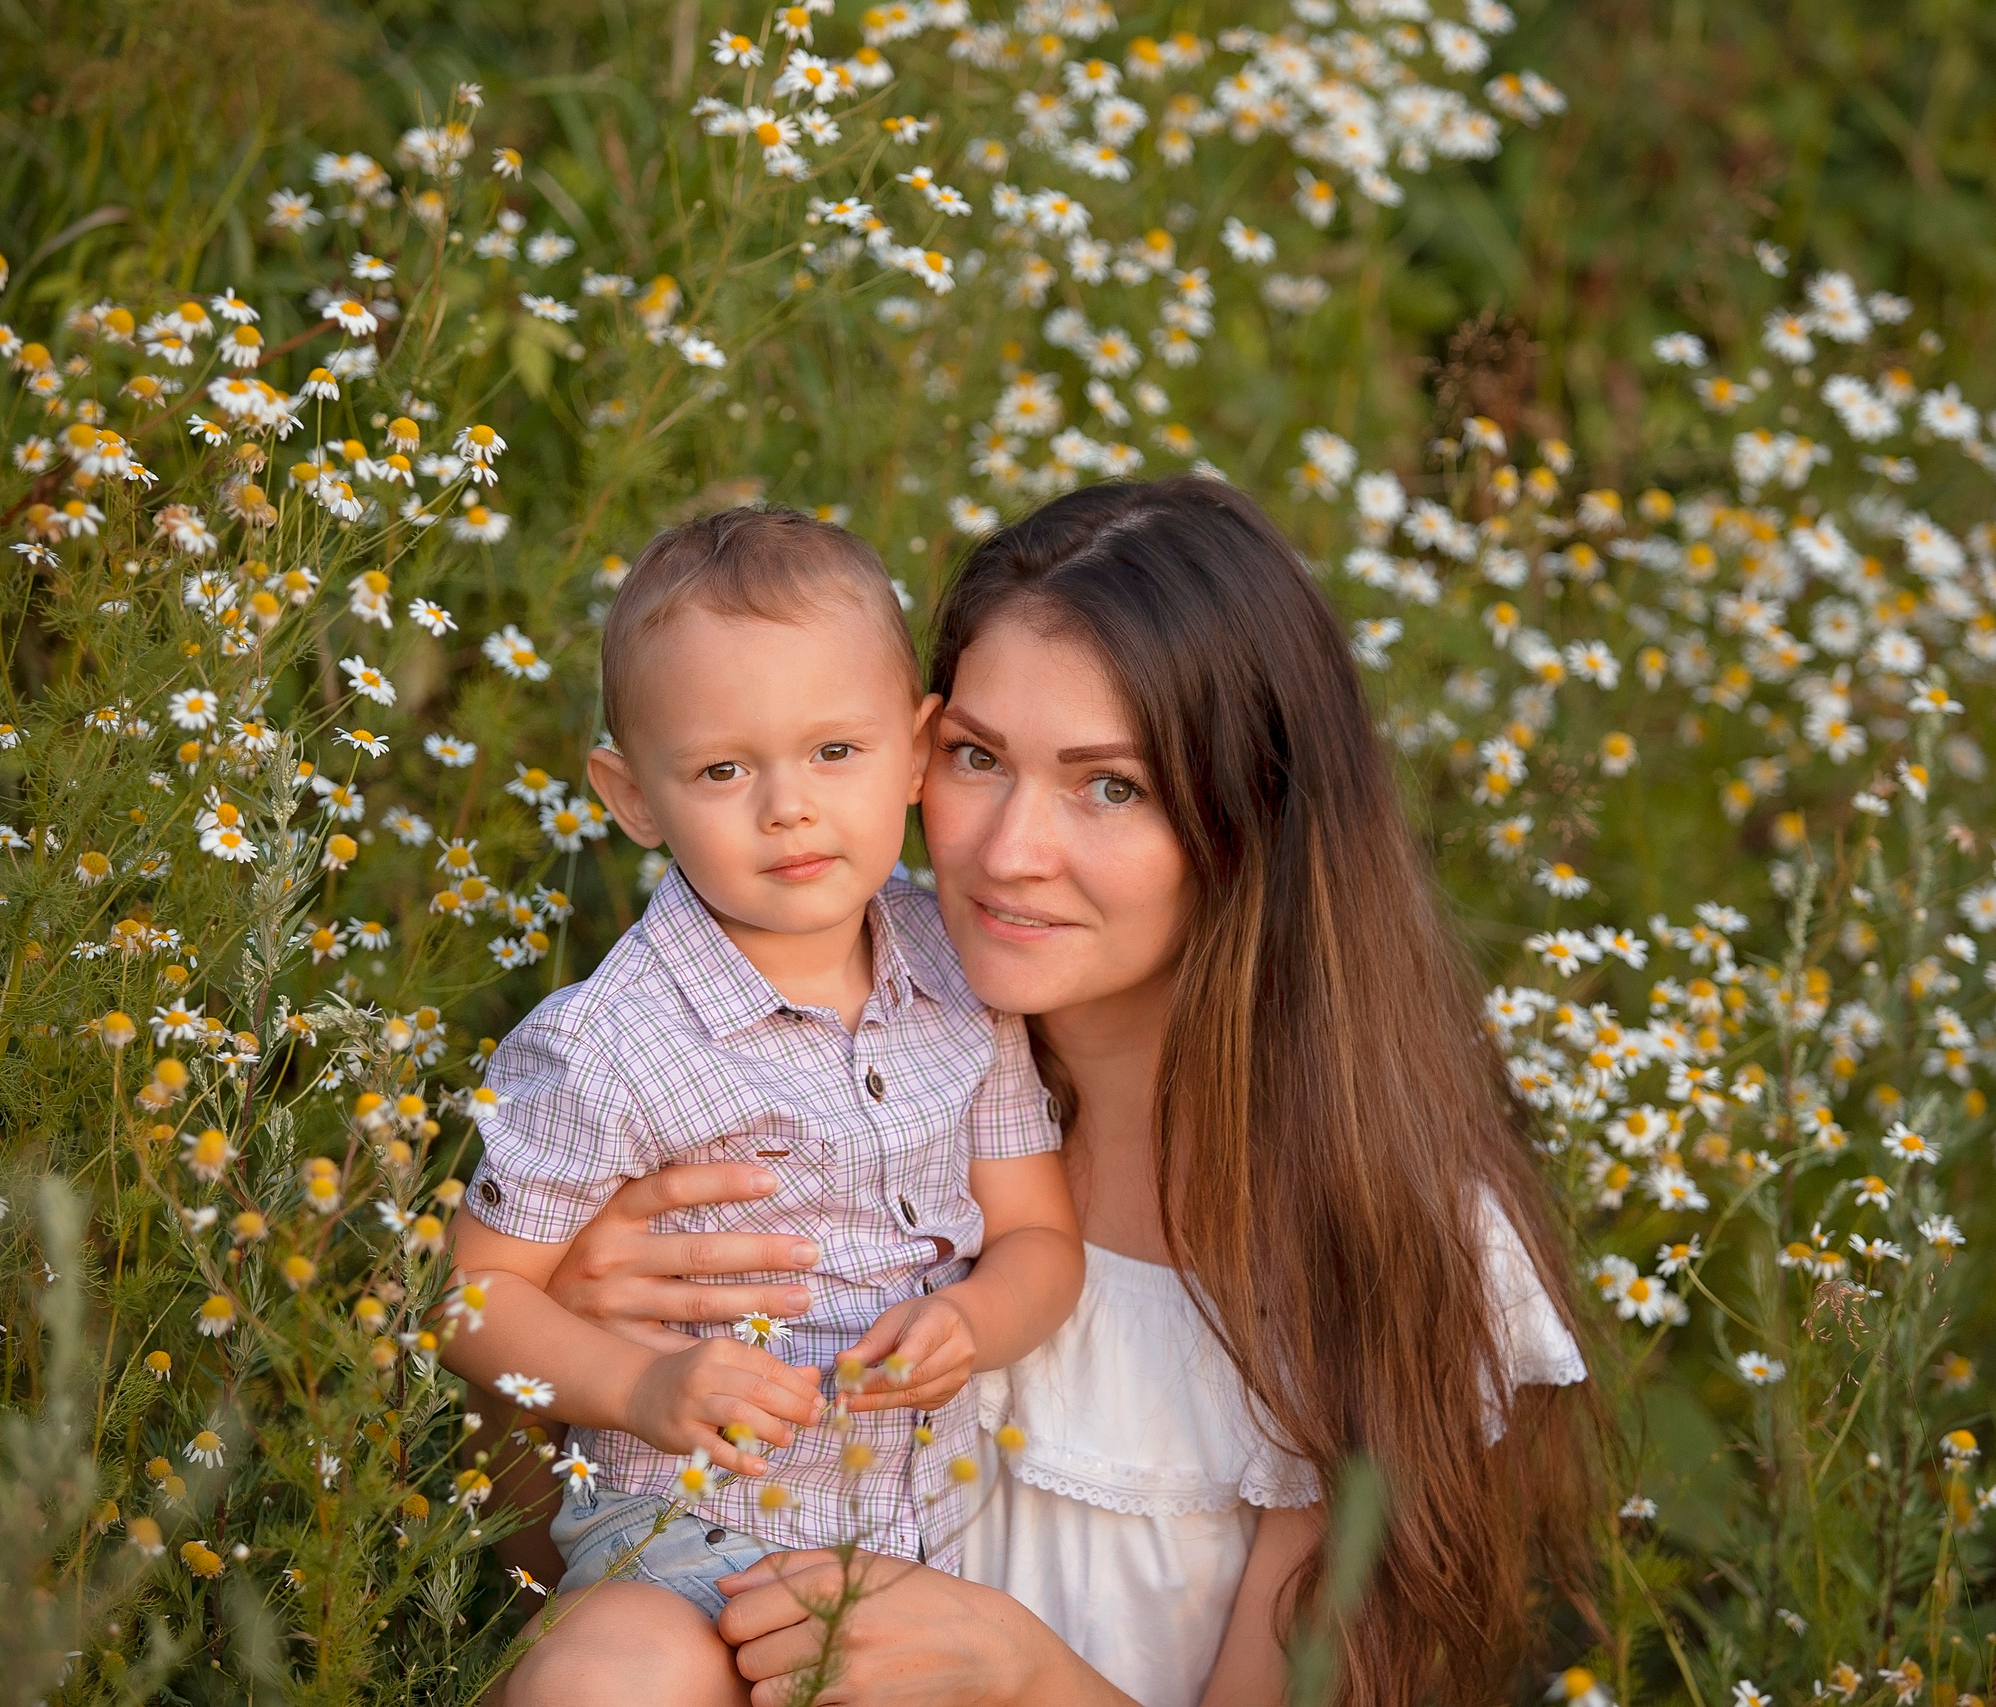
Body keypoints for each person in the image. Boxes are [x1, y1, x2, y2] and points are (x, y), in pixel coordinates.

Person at [511, 477, 1597, 1706]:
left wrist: (1024, 1679)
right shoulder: (767, 1097)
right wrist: (564, 1342)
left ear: (1256, 812)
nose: (1006, 849)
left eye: (1110, 785)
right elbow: (522, 1587)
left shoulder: (1382, 1249)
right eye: (979, 758)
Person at [443, 508, 1085, 1707]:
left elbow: (1041, 1239)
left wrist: (980, 1321)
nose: (786, 806)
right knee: (614, 1679)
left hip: (916, 1546)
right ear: (633, 797)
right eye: (723, 769)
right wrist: (637, 1389)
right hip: (681, 1536)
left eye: (834, 753)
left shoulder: (958, 976)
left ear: (915, 752)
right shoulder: (607, 1044)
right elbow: (474, 1300)